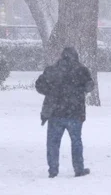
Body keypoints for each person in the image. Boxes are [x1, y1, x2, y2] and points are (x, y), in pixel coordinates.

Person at [35, 47, 93, 178]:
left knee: (53, 143)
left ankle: (53, 170)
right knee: (76, 141)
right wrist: (78, 90)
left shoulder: (52, 70)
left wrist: (51, 92)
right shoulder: (81, 71)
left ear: (61, 56)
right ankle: (79, 169)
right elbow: (89, 86)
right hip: (75, 112)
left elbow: (39, 85)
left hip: (55, 112)